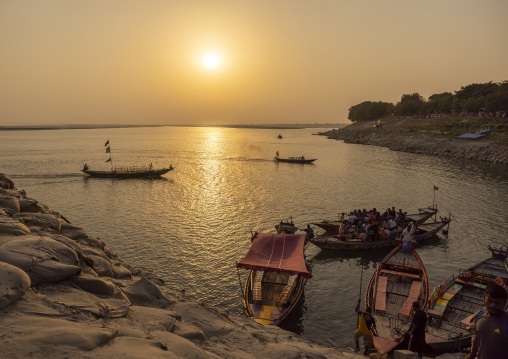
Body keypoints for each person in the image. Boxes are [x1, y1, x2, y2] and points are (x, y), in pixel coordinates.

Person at [469, 283, 508, 359]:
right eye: (489, 301)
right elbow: (477, 339)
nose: (492, 305)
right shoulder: (480, 315)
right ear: (484, 298)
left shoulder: (506, 322)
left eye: (497, 303)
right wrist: (471, 357)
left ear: (504, 303)